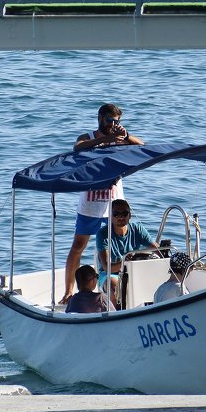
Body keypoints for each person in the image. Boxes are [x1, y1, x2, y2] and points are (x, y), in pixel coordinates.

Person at [62, 103, 145, 302]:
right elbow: (77, 147)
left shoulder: (119, 139)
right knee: (79, 245)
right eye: (110, 121)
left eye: (117, 121)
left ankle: (113, 286)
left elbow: (142, 147)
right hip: (90, 200)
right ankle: (68, 291)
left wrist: (124, 137)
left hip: (114, 202)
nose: (113, 124)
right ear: (100, 118)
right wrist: (108, 139)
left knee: (115, 244)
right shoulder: (88, 138)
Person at [96, 200, 158, 299]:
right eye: (116, 214)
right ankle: (117, 313)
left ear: (130, 215)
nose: (121, 217)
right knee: (114, 285)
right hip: (109, 275)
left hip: (134, 271)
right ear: (110, 216)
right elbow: (107, 267)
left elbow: (157, 250)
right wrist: (124, 262)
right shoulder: (103, 234)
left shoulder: (137, 229)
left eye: (124, 213)